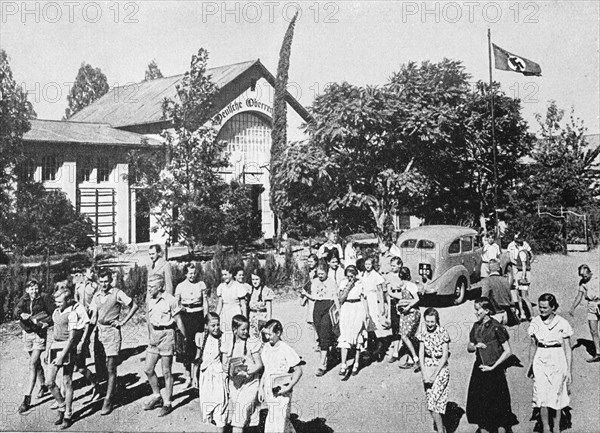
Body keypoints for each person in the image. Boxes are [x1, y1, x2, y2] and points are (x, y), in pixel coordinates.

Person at [89, 268, 138, 414]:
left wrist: (122, 321)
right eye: (101, 281)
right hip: (99, 332)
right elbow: (93, 316)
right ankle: (107, 390)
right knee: (100, 367)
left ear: (111, 280)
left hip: (112, 333)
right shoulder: (96, 295)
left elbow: (134, 305)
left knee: (111, 366)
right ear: (98, 281)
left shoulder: (117, 293)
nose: (104, 284)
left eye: (106, 281)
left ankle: (109, 400)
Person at [466, 297, 517, 433]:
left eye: (478, 310)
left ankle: (501, 426)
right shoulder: (476, 326)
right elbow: (469, 347)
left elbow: (508, 351)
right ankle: (484, 426)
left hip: (495, 370)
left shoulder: (496, 327)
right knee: (480, 399)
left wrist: (493, 367)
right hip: (480, 368)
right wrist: (475, 345)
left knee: (498, 400)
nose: (475, 313)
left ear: (487, 310)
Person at [527, 293, 574, 433]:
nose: (541, 310)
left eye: (545, 308)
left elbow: (568, 349)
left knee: (557, 394)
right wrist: (530, 365)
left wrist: (569, 370)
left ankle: (557, 426)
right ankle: (546, 427)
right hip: (541, 357)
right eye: (540, 307)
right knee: (541, 394)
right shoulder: (535, 322)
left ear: (553, 308)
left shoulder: (562, 323)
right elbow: (533, 345)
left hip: (557, 357)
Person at [45, 284, 89, 429]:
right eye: (56, 302)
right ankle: (62, 405)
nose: (57, 304)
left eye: (60, 302)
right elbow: (54, 332)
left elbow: (71, 339)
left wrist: (62, 356)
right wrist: (47, 350)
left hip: (67, 349)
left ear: (68, 300)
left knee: (67, 381)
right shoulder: (56, 312)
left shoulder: (72, 314)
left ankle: (68, 414)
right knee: (49, 382)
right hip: (55, 347)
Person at [143, 274, 185, 417]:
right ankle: (157, 396)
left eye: (152, 287)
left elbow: (178, 321)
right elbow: (148, 320)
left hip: (167, 335)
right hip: (154, 336)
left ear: (160, 287)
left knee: (166, 371)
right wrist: (150, 336)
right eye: (148, 286)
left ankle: (168, 402)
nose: (149, 289)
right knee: (148, 369)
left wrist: (184, 339)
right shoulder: (150, 300)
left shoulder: (171, 300)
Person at [15, 279, 54, 414]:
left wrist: (46, 323)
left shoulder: (44, 298)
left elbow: (53, 314)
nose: (34, 291)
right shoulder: (24, 299)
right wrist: (21, 314)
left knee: (32, 364)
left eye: (36, 288)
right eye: (31, 289)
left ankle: (27, 399)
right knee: (36, 363)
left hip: (39, 334)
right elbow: (17, 310)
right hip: (27, 334)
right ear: (27, 290)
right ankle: (43, 386)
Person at [260, 319, 303, 433]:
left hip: (281, 390)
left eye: (270, 334)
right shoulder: (266, 347)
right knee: (278, 419)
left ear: (278, 333)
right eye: (266, 334)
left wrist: (289, 387)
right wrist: (261, 387)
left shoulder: (285, 349)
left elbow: (298, 370)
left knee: (277, 421)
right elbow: (266, 369)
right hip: (269, 389)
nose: (267, 337)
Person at [225, 315, 263, 432]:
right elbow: (225, 364)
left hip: (250, 383)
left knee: (239, 417)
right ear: (234, 329)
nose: (246, 332)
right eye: (243, 329)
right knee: (247, 416)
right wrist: (231, 369)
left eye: (247, 329)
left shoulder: (252, 342)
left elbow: (259, 364)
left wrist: (247, 371)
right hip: (235, 384)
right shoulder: (229, 343)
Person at [174, 262, 208, 388]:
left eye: (194, 273)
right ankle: (188, 376)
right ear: (185, 273)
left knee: (199, 346)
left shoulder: (201, 284)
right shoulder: (180, 286)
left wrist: (206, 318)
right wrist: (181, 310)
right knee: (186, 348)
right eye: (189, 273)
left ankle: (197, 377)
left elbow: (205, 303)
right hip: (186, 318)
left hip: (198, 317)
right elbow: (175, 304)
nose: (192, 276)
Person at [302, 262, 339, 376]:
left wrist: (339, 311)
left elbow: (335, 297)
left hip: (328, 307)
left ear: (327, 272)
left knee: (324, 334)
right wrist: (305, 295)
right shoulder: (314, 281)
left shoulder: (332, 282)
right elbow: (312, 295)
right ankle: (329, 351)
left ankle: (322, 363)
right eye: (318, 274)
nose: (320, 276)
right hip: (317, 307)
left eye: (322, 273)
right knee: (320, 333)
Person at [417, 307, 451, 433]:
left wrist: (434, 375)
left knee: (433, 403)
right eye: (427, 322)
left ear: (437, 321)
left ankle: (441, 431)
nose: (430, 324)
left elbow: (445, 356)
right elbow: (421, 354)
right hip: (427, 368)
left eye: (432, 322)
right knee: (431, 404)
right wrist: (424, 373)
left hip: (441, 370)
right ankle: (442, 427)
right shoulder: (423, 333)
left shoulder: (443, 332)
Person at [72, 266, 102, 403]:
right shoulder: (78, 285)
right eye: (91, 272)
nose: (93, 274)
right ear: (84, 273)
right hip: (79, 318)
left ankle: (95, 384)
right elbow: (75, 299)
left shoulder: (95, 286)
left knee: (83, 343)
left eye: (94, 272)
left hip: (89, 319)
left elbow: (96, 305)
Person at [197, 312, 228, 432]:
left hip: (218, 375)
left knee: (221, 403)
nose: (216, 328)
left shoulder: (223, 338)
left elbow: (225, 361)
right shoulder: (201, 338)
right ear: (206, 326)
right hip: (205, 375)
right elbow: (197, 359)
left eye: (218, 325)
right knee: (207, 403)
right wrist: (195, 377)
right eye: (212, 325)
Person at [337, 265, 367, 378]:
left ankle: (356, 362)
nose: (350, 278)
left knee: (357, 335)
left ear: (356, 275)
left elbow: (364, 299)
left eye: (352, 276)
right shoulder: (343, 283)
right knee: (344, 335)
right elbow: (340, 299)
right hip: (347, 308)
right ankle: (343, 364)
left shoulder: (360, 283)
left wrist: (367, 315)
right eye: (348, 276)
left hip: (358, 308)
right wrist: (348, 287)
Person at [389, 266, 421, 371]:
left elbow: (416, 299)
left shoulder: (411, 286)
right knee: (408, 337)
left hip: (412, 313)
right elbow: (404, 298)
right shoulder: (404, 286)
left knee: (405, 336)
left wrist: (407, 306)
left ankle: (416, 359)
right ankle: (411, 359)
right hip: (405, 314)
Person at [569, 264, 600, 362]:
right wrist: (573, 307)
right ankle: (598, 353)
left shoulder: (597, 278)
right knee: (593, 330)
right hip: (591, 306)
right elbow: (579, 296)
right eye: (581, 276)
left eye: (585, 276)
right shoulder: (582, 283)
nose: (583, 278)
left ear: (590, 273)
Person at [361, 257, 388, 361]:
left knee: (375, 322)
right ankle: (369, 346)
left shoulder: (376, 276)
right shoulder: (362, 274)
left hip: (373, 299)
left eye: (369, 264)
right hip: (365, 299)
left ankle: (379, 347)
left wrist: (381, 305)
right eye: (366, 264)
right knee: (366, 322)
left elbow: (380, 291)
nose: (367, 266)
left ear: (372, 265)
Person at [480, 259, 519, 326]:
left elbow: (484, 299)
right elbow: (510, 297)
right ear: (499, 269)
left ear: (488, 270)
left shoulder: (486, 281)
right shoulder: (505, 280)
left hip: (494, 314)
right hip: (506, 313)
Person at [216, 267, 248, 346]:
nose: (224, 277)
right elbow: (220, 304)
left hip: (235, 312)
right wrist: (216, 317)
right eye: (223, 275)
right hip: (225, 313)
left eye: (226, 274)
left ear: (231, 274)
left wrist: (245, 319)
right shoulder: (221, 287)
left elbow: (243, 305)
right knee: (225, 335)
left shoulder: (238, 286)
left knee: (236, 333)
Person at [507, 234, 534, 320]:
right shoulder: (524, 251)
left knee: (524, 296)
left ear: (517, 243)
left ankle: (532, 315)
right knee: (519, 295)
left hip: (522, 274)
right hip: (520, 273)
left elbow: (524, 266)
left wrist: (523, 277)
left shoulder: (522, 253)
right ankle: (523, 314)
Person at [247, 269, 274, 341]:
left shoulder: (266, 291)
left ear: (261, 279)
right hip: (252, 320)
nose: (255, 281)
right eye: (253, 279)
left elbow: (269, 310)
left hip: (262, 318)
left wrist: (268, 324)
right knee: (253, 340)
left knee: (264, 340)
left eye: (257, 279)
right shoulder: (250, 290)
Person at [300, 254, 319, 349]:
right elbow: (306, 284)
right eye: (309, 261)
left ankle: (318, 342)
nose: (310, 263)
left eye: (312, 261)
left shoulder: (319, 272)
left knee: (315, 321)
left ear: (316, 261)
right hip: (309, 297)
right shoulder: (308, 272)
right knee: (310, 321)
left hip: (315, 297)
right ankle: (315, 342)